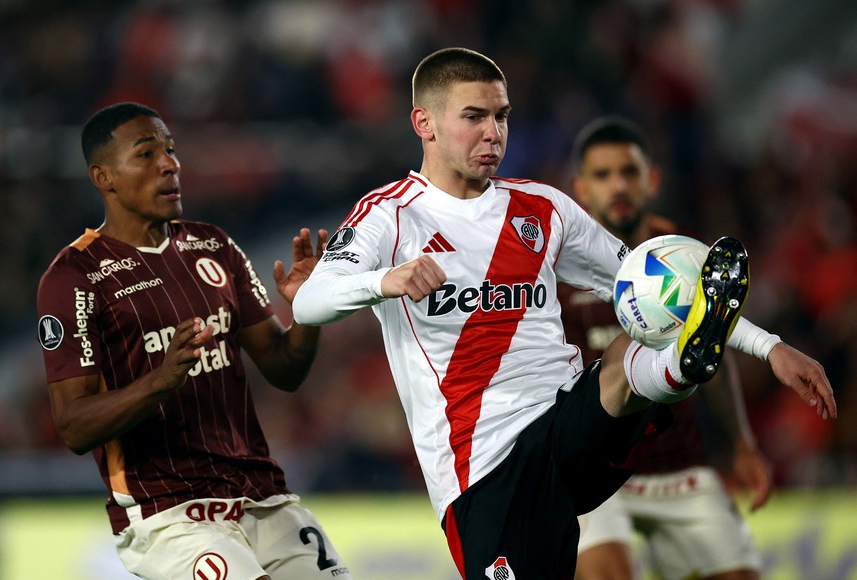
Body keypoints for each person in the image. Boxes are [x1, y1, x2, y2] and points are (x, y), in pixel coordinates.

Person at [292, 47, 836, 579]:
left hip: (567, 421)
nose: (493, 133)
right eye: (474, 117)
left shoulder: (543, 208)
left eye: (502, 116)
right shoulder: (390, 216)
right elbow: (308, 301)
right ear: (424, 123)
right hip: (484, 468)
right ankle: (678, 367)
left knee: (638, 335)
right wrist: (384, 280)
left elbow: (662, 287)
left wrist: (769, 346)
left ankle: (686, 364)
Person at [36, 102, 352, 580]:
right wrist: (160, 380)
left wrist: (308, 310)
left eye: (171, 150)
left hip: (262, 497)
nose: (169, 164)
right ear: (104, 177)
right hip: (168, 512)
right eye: (146, 154)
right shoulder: (74, 277)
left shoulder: (215, 246)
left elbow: (285, 370)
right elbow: (74, 427)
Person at [563, 116, 771, 580]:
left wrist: (742, 443)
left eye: (629, 172)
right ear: (581, 188)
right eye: (602, 175)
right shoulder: (559, 267)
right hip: (596, 473)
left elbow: (715, 356)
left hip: (677, 464)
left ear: (651, 180)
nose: (617, 185)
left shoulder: (685, 259)